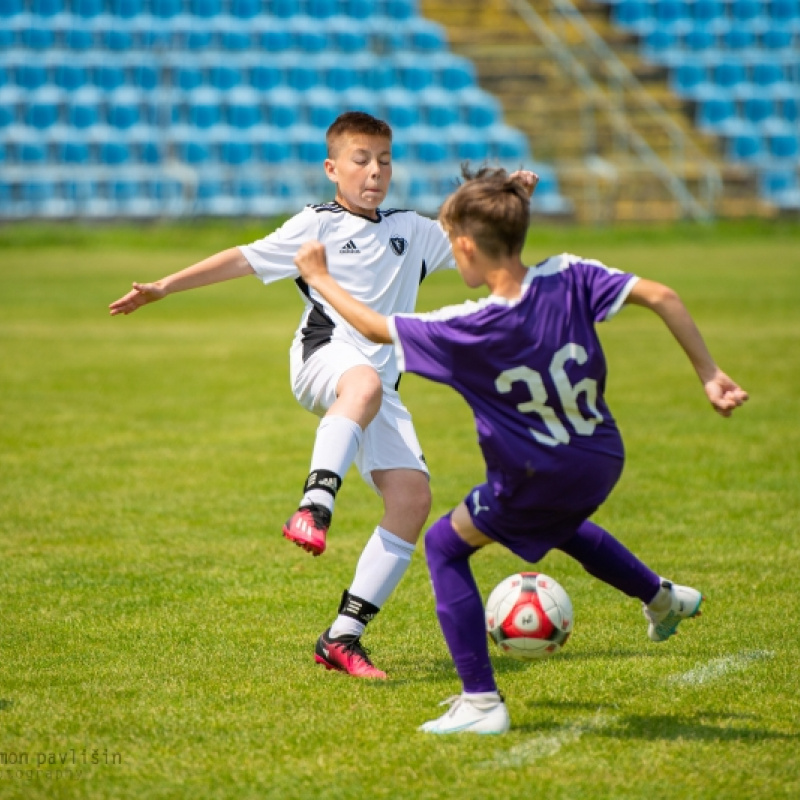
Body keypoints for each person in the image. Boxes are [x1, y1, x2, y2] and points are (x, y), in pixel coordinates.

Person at [292, 166, 749, 733]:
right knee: (553, 523)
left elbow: (379, 328)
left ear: (463, 246)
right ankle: (660, 598)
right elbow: (662, 295)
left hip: (534, 471)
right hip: (602, 456)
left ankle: (481, 703)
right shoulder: (572, 274)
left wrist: (321, 278)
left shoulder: (468, 325)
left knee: (443, 546)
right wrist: (709, 374)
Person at [109, 111, 536, 680]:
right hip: (324, 361)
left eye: (384, 160)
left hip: (380, 390)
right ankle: (314, 506)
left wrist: (512, 196)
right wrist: (164, 285)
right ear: (333, 168)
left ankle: (343, 636)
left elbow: (473, 237)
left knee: (412, 501)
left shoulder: (411, 230)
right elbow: (242, 257)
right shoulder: (318, 223)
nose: (375, 172)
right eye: (361, 160)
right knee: (360, 382)